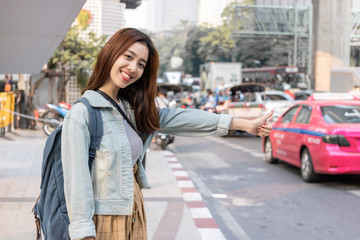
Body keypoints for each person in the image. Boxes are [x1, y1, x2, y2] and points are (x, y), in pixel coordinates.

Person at [61, 28, 273, 240]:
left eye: (141, 64)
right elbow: (76, 183)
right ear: (110, 52)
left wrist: (244, 125)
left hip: (134, 211)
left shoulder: (130, 109)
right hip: (104, 221)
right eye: (128, 57)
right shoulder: (83, 113)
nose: (133, 68)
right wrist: (83, 234)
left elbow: (184, 119)